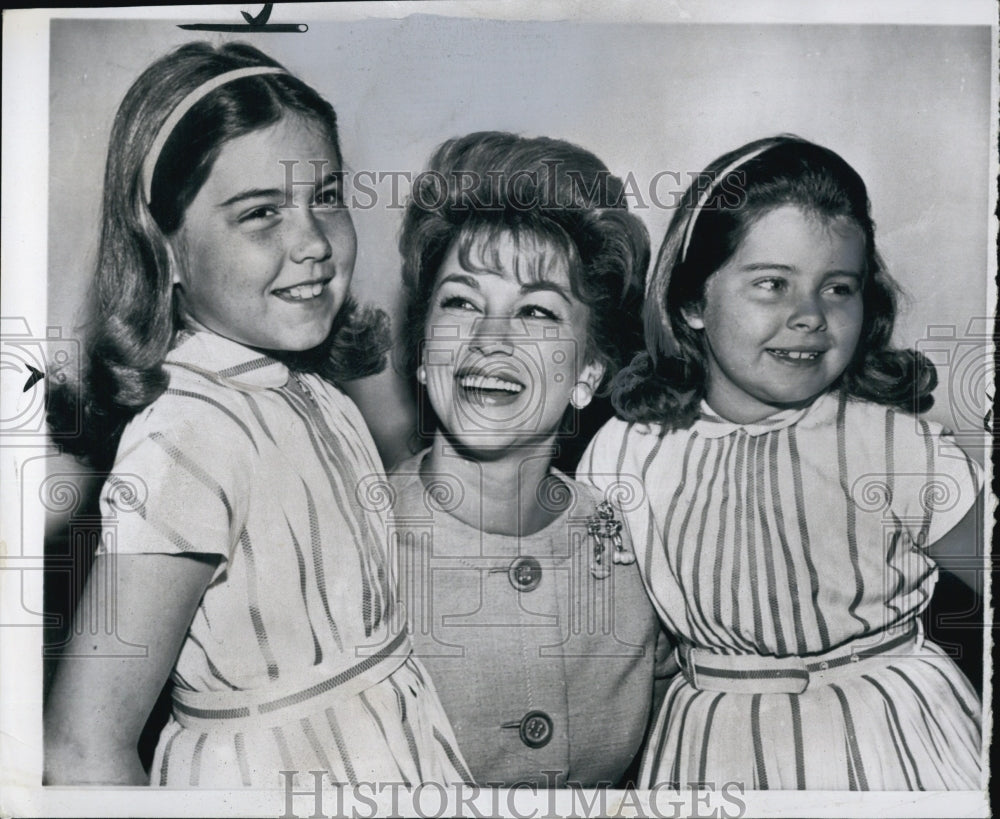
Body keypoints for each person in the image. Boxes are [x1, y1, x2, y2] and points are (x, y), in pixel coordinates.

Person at [44, 41, 470, 788]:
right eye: (262, 213)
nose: (312, 242)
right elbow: (81, 746)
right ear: (163, 247)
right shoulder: (187, 435)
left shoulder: (311, 389)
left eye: (327, 197)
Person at [578, 135, 984, 790]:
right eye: (772, 283)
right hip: (713, 757)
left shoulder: (891, 445)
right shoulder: (627, 454)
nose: (810, 316)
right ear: (690, 304)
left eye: (838, 288)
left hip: (898, 745)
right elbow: (616, 654)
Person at [388, 131, 672, 787]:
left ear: (589, 371)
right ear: (425, 341)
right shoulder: (345, 543)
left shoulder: (642, 539)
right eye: (461, 301)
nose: (491, 338)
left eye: (538, 311)